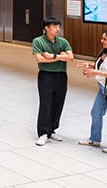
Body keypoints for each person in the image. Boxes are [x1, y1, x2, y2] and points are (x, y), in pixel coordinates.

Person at [32, 17, 74, 146]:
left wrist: (53, 56)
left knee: (58, 102)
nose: (58, 29)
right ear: (46, 28)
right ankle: (43, 132)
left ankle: (52, 129)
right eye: (55, 26)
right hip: (46, 75)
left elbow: (71, 57)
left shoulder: (63, 41)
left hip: (61, 75)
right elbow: (40, 59)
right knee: (46, 103)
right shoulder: (38, 41)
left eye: (58, 26)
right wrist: (62, 57)